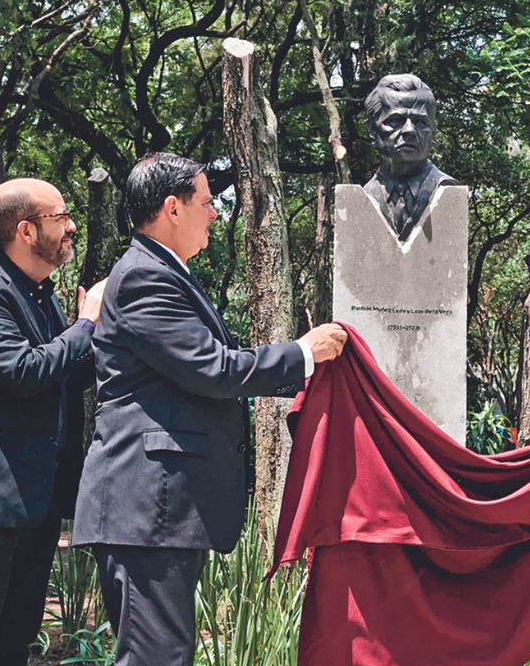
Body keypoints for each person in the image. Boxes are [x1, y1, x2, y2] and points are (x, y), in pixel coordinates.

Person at [73, 152, 348, 666]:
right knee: (156, 657)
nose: (215, 213)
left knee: (165, 654)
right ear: (172, 208)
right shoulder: (143, 278)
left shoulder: (163, 273)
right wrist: (304, 352)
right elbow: (212, 370)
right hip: (147, 509)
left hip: (162, 511)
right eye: (206, 202)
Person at [0, 178, 107, 666]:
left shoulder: (43, 295)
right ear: (26, 230)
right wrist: (85, 326)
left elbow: (67, 375)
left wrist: (93, 337)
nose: (72, 226)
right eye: (61, 217)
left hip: (36, 497)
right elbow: (23, 372)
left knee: (17, 640)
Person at [361, 74, 457, 241]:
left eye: (420, 122)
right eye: (396, 121)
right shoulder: (366, 196)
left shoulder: (445, 189)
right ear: (371, 130)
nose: (409, 130)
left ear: (433, 129)